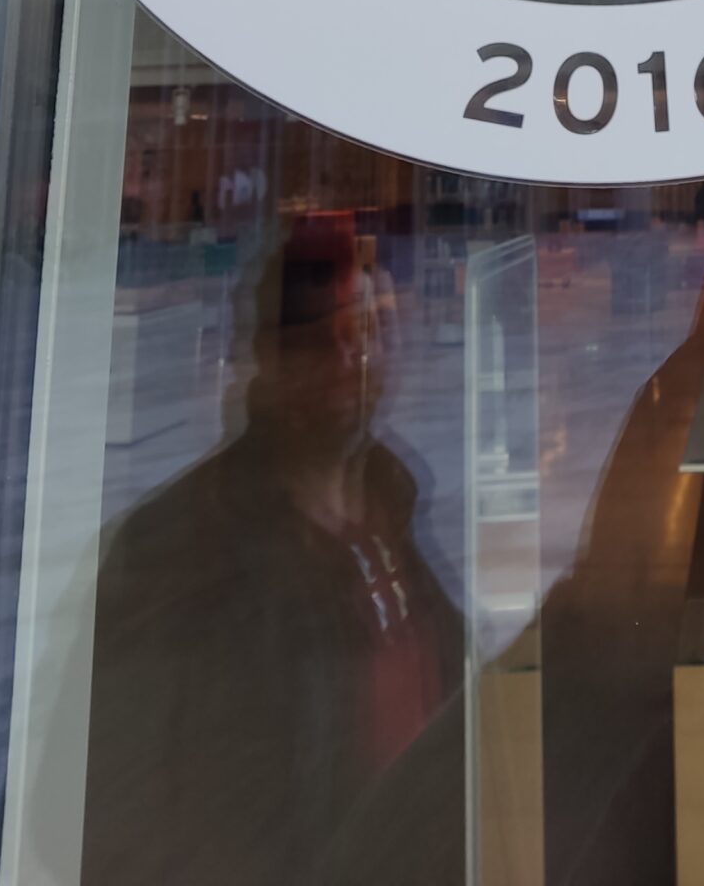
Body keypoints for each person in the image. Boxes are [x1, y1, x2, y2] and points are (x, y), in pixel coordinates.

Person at [63, 213, 464, 886]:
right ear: (268, 358)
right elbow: (111, 817)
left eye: (366, 332)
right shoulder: (177, 549)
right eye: (321, 340)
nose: (351, 361)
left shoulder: (393, 508)